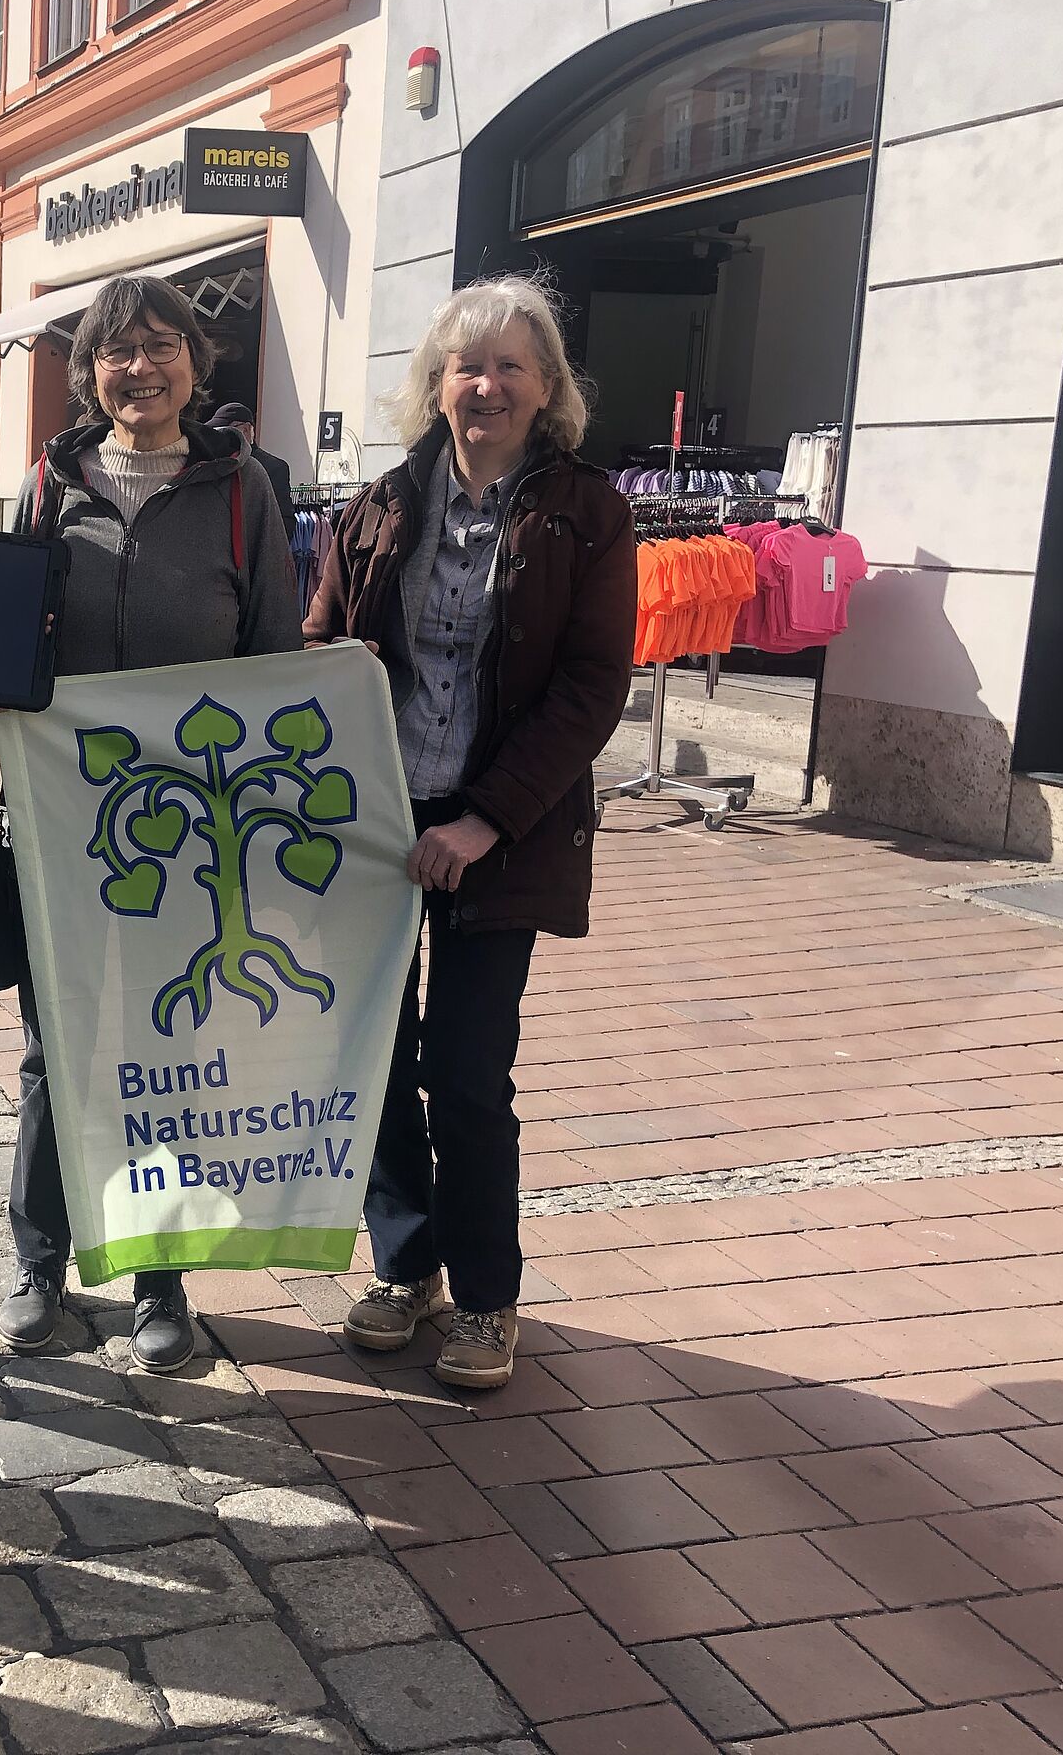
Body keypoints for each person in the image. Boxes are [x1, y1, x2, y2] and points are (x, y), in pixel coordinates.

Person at [303, 275, 635, 1390]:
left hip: (506, 832)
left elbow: (592, 688)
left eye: (509, 366)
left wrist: (488, 818)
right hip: (376, 834)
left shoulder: (586, 509)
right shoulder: (384, 501)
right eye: (464, 365)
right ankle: (408, 1267)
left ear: (548, 390)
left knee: (468, 1067)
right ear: (435, 384)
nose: (484, 385)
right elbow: (324, 639)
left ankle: (487, 1297)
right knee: (382, 1060)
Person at [0, 277, 304, 1376]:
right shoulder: (47, 483)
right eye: (116, 352)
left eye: (161, 345)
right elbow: (6, 638)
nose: (141, 368)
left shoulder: (241, 492)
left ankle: (161, 1280)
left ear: (194, 361)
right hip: (67, 818)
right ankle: (40, 1260)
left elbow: (273, 658)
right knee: (53, 1051)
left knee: (173, 1049)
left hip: (195, 830)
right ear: (89, 373)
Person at [207, 403, 300, 550]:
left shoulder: (273, 467)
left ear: (245, 429)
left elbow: (283, 523)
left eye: (224, 430)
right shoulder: (219, 465)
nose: (219, 437)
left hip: (253, 555)